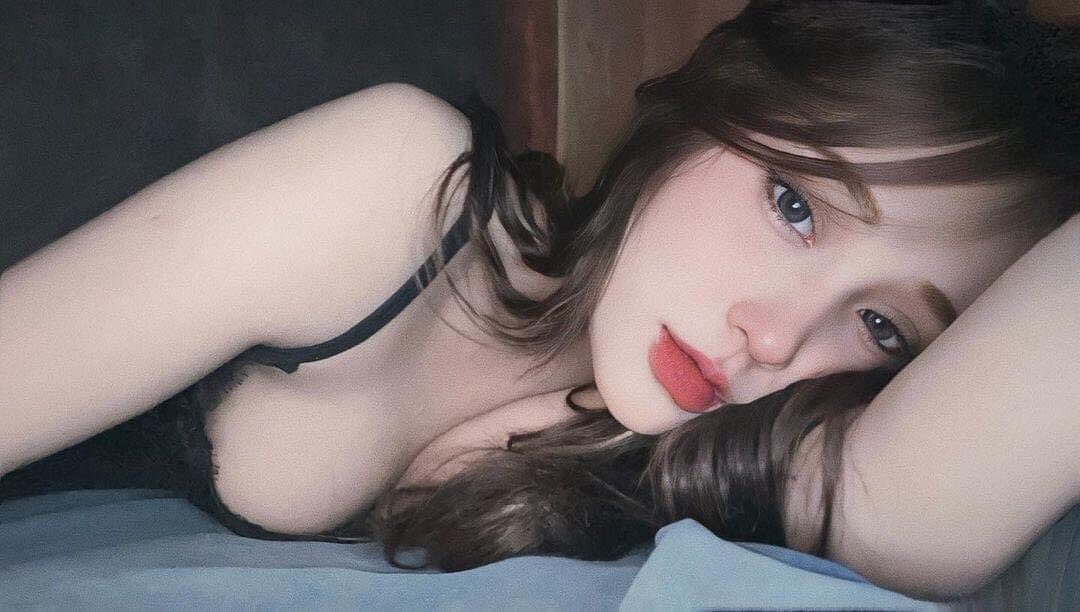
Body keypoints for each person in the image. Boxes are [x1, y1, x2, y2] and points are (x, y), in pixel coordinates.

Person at [1, 0, 1077, 602]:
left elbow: (913, 504)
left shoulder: (744, 457)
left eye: (882, 326)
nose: (777, 336)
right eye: (794, 205)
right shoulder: (389, 196)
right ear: (705, 115)